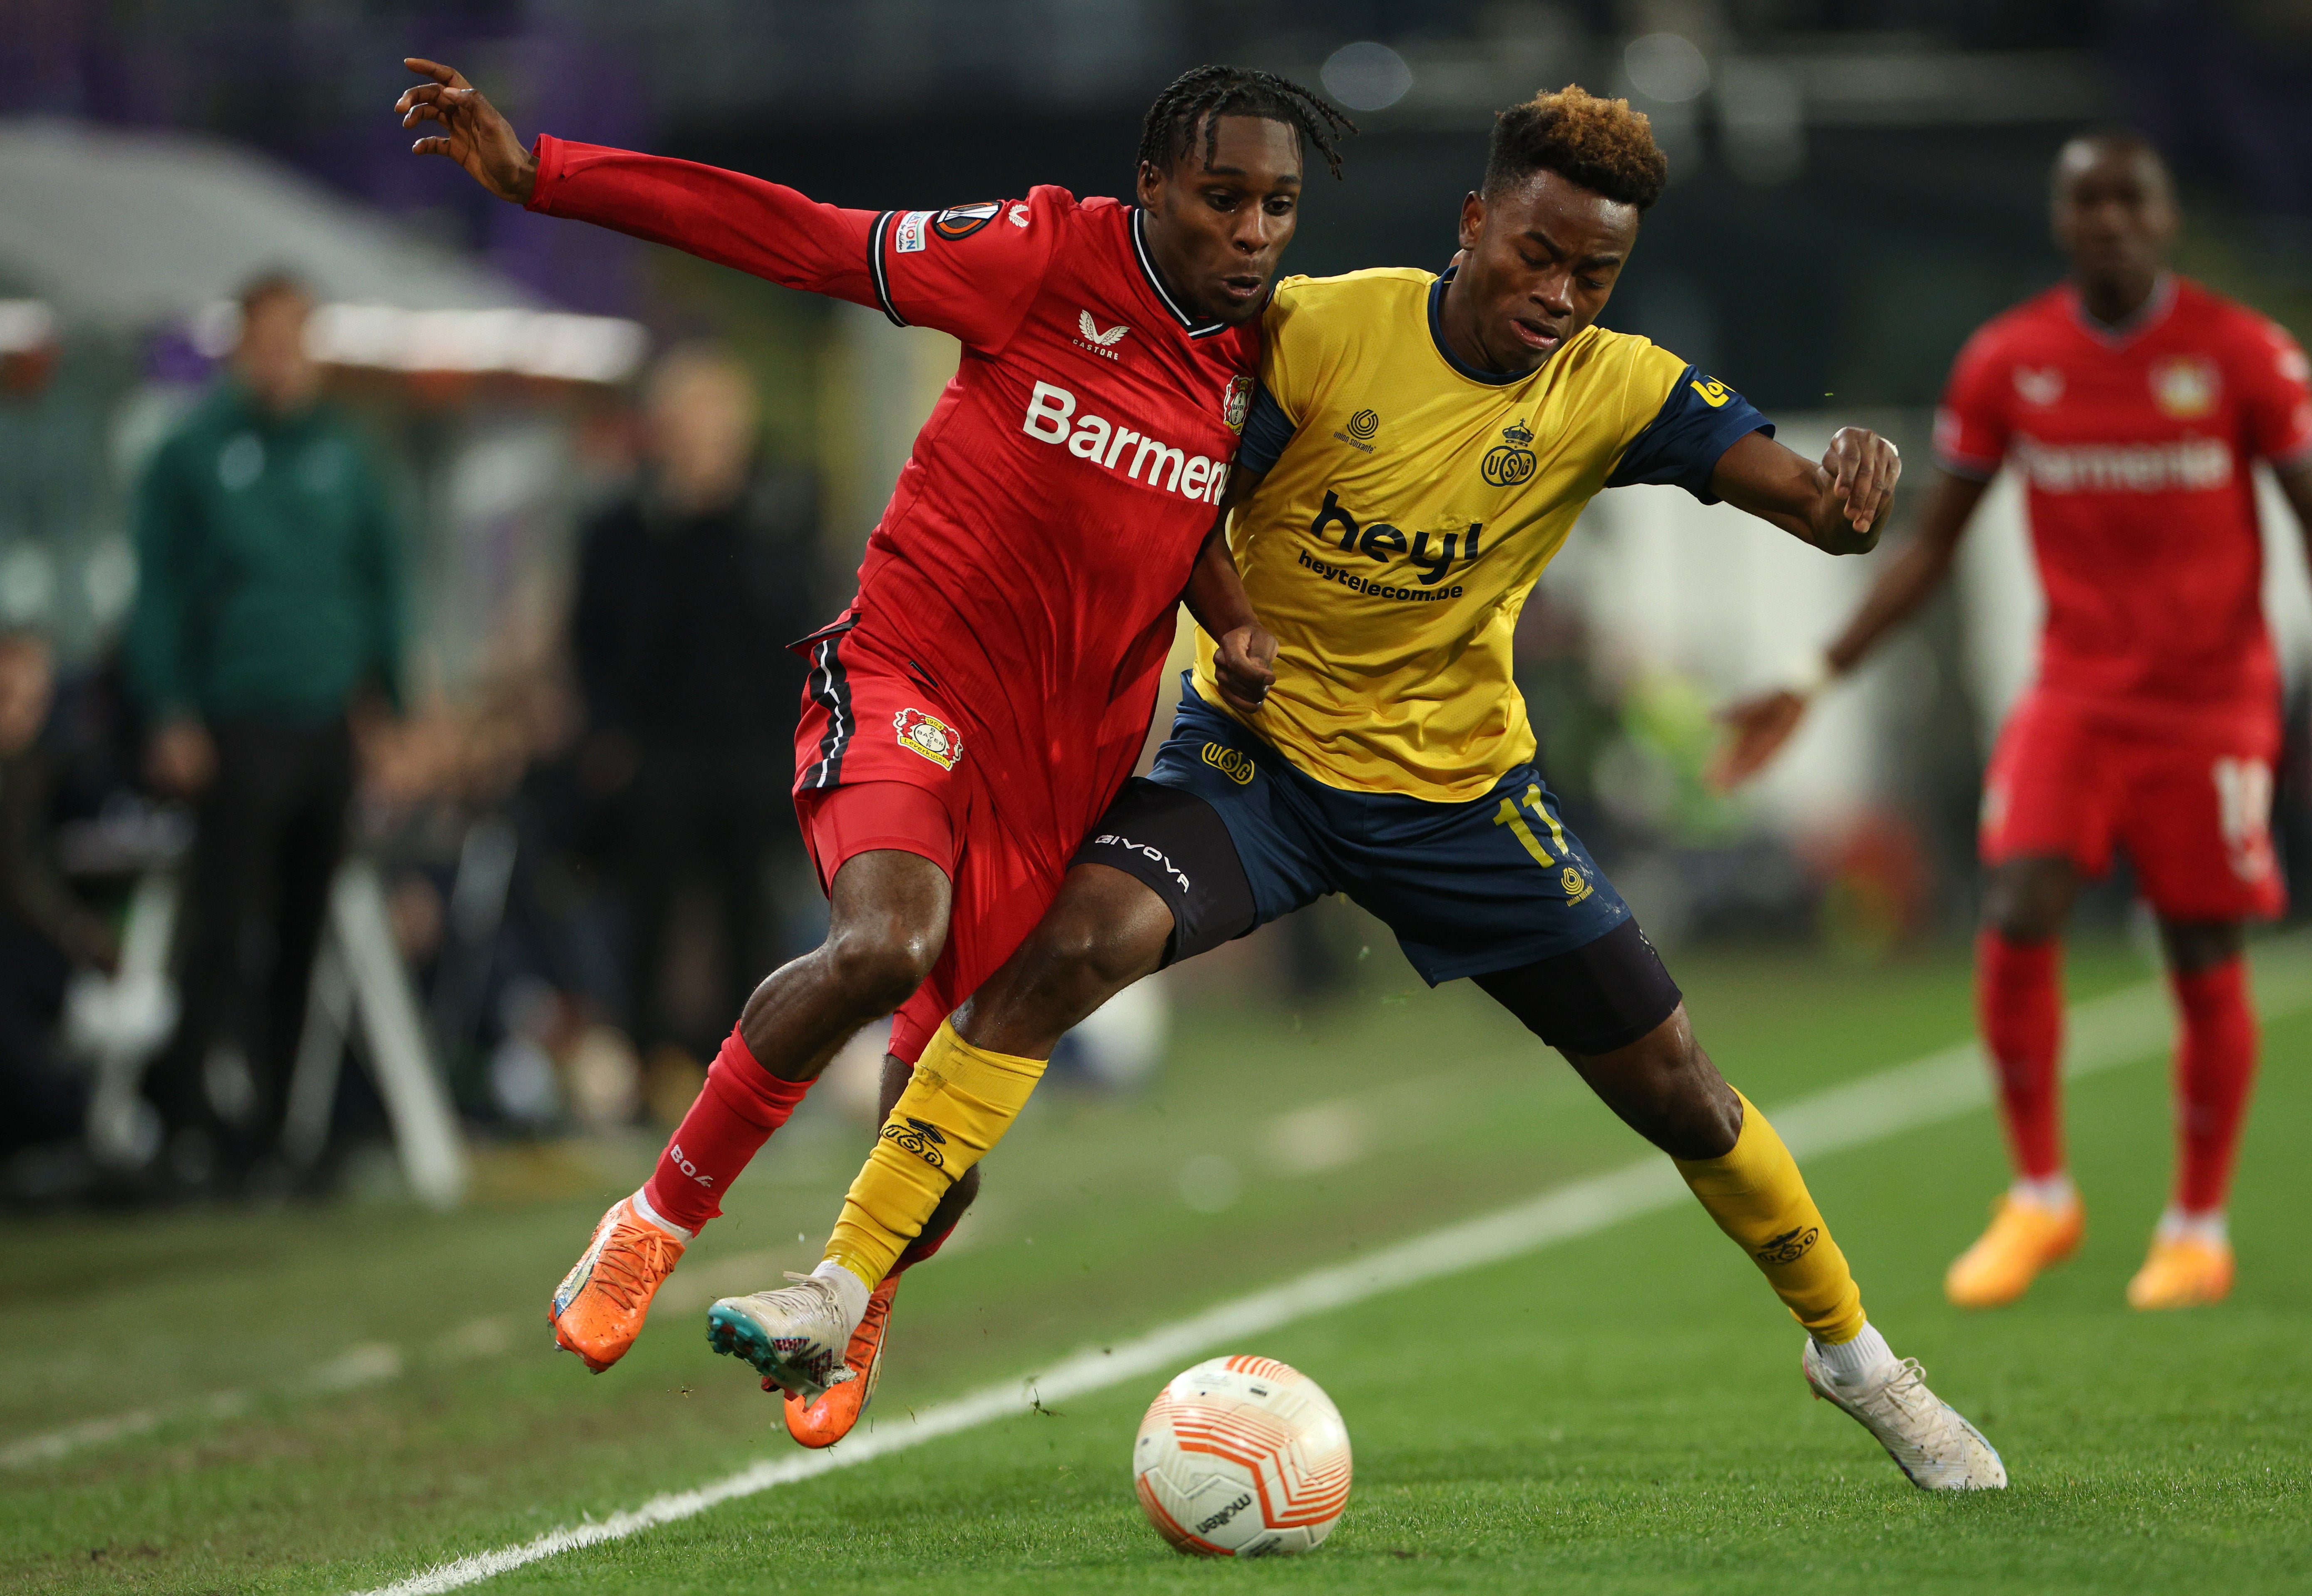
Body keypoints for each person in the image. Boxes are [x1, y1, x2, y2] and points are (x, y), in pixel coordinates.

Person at [772, 89, 2007, 1490]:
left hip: (1458, 792)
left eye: (1591, 273)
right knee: (1064, 954)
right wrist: (1232, 627)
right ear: (1474, 222)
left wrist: (1851, 495)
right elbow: (1185, 508)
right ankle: (844, 1281)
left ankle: (1856, 1356)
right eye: (1534, 254)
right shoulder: (1315, 328)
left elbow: (1801, 497)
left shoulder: (1619, 386)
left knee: (1680, 1090)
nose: (1556, 293)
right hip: (1262, 764)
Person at [394, 59, 1348, 1389]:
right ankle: (652, 1222)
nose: (1250, 233)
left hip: (1064, 765)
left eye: (1277, 207)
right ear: (1153, 187)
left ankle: (851, 1299)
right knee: (884, 944)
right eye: (1222, 197)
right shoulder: (1036, 256)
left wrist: (1235, 623)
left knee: (940, 1127)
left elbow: (1173, 507)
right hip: (913, 677)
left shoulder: (1262, 354)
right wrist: (543, 173)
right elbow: (797, 234)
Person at [1713, 131, 2312, 1312]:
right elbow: (1933, 545)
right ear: (2062, 222)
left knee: (2197, 948)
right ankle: (2038, 1194)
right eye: (2089, 204)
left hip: (2209, 698)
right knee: (2016, 900)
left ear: (2165, 216)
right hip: (2072, 692)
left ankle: (2195, 1222)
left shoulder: (2243, 355)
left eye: (2132, 200)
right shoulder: (2011, 361)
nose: (2111, 222)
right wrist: (1815, 676)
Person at [126, 271, 409, 1191]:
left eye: (298, 336)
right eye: (268, 337)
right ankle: (189, 1125)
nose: (284, 355)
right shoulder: (193, 452)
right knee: (221, 929)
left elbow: (382, 585)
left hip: (325, 718)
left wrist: (391, 705)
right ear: (240, 345)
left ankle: (280, 1133)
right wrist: (168, 707)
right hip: (235, 718)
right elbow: (158, 592)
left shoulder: (347, 454)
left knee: (303, 929)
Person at [570, 344, 825, 1075]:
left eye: (718, 421)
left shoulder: (778, 518)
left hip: (753, 750)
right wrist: (605, 732)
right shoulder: (623, 529)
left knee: (753, 916)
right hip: (656, 751)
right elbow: (595, 641)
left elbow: (797, 624)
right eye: (689, 422)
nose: (706, 440)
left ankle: (750, 1070)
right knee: (649, 914)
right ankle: (645, 1060)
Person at [0, 632, 118, 1158]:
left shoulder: (50, 768)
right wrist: (79, 934)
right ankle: (74, 1122)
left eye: (32, 701)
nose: (19, 716)